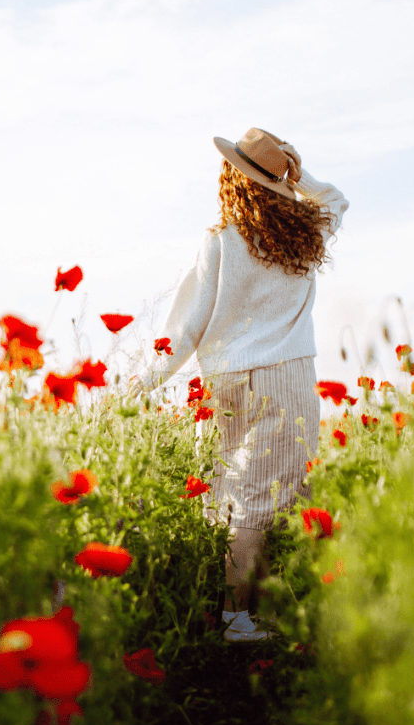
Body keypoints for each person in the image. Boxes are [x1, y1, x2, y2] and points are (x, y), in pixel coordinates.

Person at [127, 128, 348, 641]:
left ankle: (241, 612)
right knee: (273, 495)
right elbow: (337, 199)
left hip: (224, 376)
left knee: (234, 490)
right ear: (277, 181)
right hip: (285, 372)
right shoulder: (308, 229)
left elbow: (187, 325)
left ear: (233, 178)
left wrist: (141, 385)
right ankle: (239, 618)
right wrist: (300, 175)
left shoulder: (220, 238)